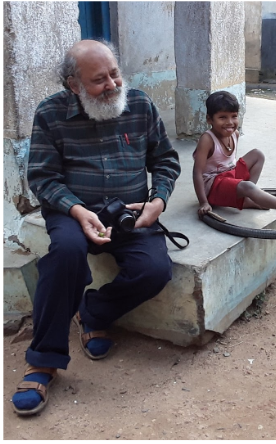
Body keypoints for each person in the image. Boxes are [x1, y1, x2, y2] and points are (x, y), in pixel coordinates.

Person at [11, 40, 181, 416]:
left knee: (155, 270)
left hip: (130, 210)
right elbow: (42, 177)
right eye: (98, 80)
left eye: (115, 73)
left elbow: (165, 160)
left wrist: (158, 201)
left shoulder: (140, 105)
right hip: (73, 208)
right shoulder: (50, 114)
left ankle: (93, 312)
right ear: (73, 84)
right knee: (66, 255)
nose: (113, 85)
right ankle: (43, 361)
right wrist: (75, 209)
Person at [192, 91, 276, 221]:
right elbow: (197, 173)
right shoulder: (207, 140)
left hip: (228, 174)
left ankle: (247, 198)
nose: (230, 122)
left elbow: (228, 163)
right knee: (247, 186)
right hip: (212, 186)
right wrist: (203, 202)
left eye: (234, 116)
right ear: (210, 119)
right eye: (222, 117)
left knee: (257, 155)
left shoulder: (235, 134)